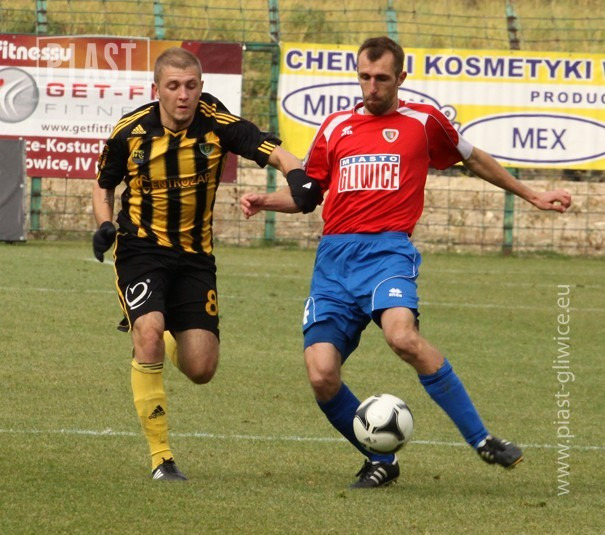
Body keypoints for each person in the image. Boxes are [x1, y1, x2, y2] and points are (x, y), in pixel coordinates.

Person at [240, 36, 572, 489]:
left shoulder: (423, 121)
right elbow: (308, 194)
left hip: (387, 252)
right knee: (321, 374)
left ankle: (481, 438)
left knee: (402, 337)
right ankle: (381, 458)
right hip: (333, 260)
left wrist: (532, 194)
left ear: (401, 77)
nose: (372, 87)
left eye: (381, 78)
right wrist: (267, 200)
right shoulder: (335, 126)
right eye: (364, 77)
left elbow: (474, 159)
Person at [92, 46, 308, 480]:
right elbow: (103, 185)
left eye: (191, 85)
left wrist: (298, 178)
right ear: (157, 89)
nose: (183, 95)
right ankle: (161, 458)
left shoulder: (216, 123)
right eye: (173, 86)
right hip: (141, 249)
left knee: (201, 368)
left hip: (195, 257)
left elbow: (275, 152)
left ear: (201, 87)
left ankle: (156, 330)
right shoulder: (130, 133)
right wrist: (104, 225)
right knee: (148, 333)